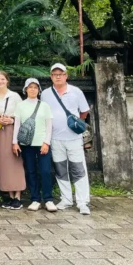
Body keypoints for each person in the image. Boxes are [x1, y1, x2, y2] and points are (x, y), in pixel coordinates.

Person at [41, 63, 92, 215]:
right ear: (51, 77)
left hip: (74, 138)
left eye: (61, 74)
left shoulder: (76, 91)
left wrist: (73, 124)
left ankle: (82, 201)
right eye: (55, 74)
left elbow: (84, 113)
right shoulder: (45, 94)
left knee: (78, 169)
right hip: (55, 138)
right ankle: (66, 199)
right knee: (60, 169)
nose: (58, 76)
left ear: (66, 75)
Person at [12, 78, 56, 212]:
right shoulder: (20, 106)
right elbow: (17, 125)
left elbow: (49, 126)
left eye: (35, 87)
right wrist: (15, 142)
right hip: (26, 144)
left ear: (39, 90)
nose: (32, 89)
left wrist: (46, 142)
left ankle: (48, 199)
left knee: (45, 171)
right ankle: (35, 199)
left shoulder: (44, 106)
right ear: (25, 90)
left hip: (42, 144)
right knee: (31, 171)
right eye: (30, 87)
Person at [0, 70, 25, 210]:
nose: (0, 82)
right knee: (2, 163)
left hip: (13, 130)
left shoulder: (14, 96)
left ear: (7, 80)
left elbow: (22, 113)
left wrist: (12, 119)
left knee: (16, 161)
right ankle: (9, 195)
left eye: (3, 79)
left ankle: (18, 196)